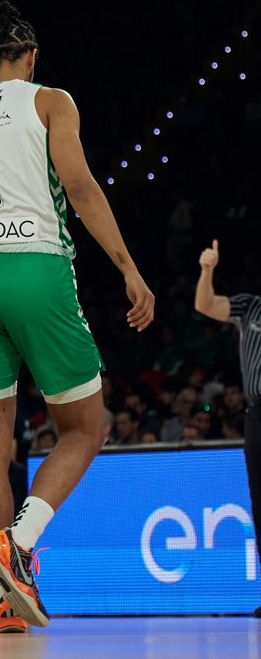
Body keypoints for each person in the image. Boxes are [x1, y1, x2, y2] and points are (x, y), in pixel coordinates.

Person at [0, 0, 155, 630]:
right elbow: (80, 187)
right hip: (35, 267)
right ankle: (19, 542)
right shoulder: (50, 101)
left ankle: (4, 601)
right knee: (86, 426)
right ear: (31, 57)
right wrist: (127, 267)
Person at [192, 239, 261, 619]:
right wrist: (207, 270)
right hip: (256, 416)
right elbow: (205, 304)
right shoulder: (250, 306)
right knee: (259, 503)